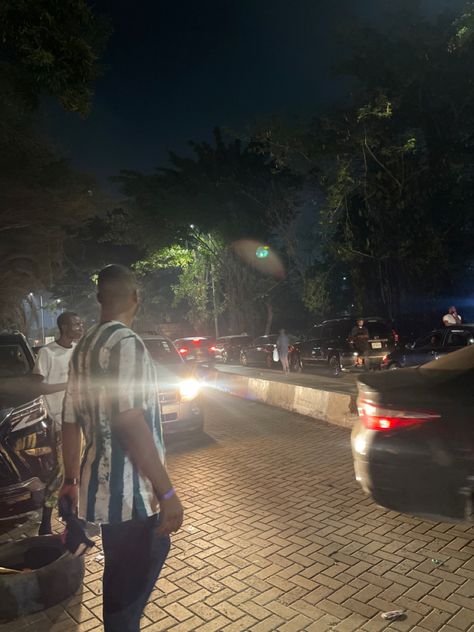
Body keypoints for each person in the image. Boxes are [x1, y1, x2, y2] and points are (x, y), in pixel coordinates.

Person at [59, 264, 183, 632]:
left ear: (99, 299)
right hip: (133, 499)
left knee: (119, 586)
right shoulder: (128, 344)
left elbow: (68, 421)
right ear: (135, 297)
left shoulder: (82, 349)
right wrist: (168, 491)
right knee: (124, 605)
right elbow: (130, 420)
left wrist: (69, 479)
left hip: (103, 499)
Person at [33, 311, 84, 535]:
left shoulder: (78, 351)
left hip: (78, 419)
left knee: (75, 470)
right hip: (58, 421)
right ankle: (46, 522)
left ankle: (73, 515)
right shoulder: (47, 353)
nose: (81, 326)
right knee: (61, 472)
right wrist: (69, 384)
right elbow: (40, 386)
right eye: (76, 323)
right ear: (64, 326)